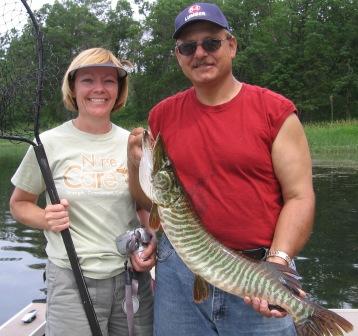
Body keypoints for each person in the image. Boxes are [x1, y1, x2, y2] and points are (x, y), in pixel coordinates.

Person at [127, 2, 315, 336]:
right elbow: (149, 201)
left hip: (259, 268)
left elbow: (300, 197)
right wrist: (134, 163)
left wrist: (277, 263)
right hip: (180, 276)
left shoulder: (275, 111)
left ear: (231, 45)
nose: (199, 53)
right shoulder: (162, 116)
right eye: (188, 47)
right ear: (178, 55)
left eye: (210, 42)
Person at [9, 47, 155, 336]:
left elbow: (142, 206)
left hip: (131, 276)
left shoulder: (133, 143)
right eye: (88, 80)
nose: (98, 89)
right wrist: (45, 218)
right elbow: (19, 204)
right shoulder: (47, 144)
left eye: (109, 81)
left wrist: (150, 243)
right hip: (71, 281)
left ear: (119, 89)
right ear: (73, 88)